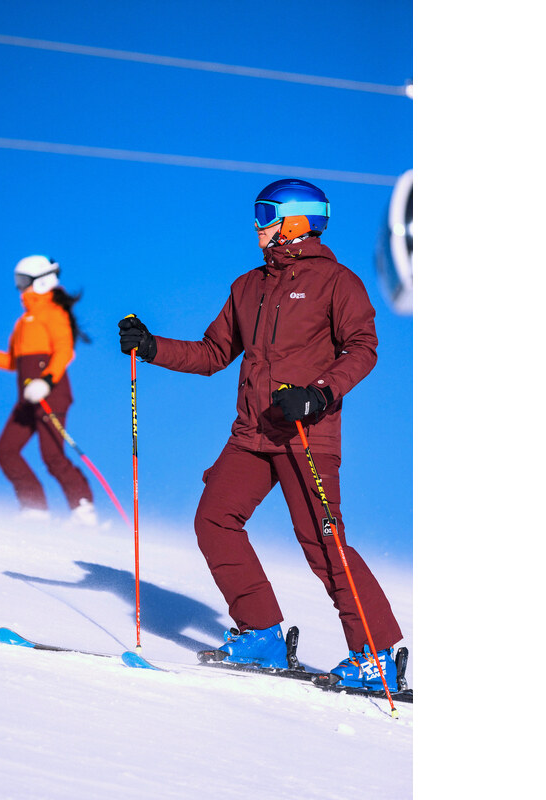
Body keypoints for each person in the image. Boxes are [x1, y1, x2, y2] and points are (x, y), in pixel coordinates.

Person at [117, 179, 405, 690]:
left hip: (304, 432)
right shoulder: (247, 287)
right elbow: (212, 354)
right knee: (214, 520)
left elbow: (363, 347)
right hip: (253, 433)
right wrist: (152, 345)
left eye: (266, 212)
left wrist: (318, 393)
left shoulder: (338, 282)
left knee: (323, 541)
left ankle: (375, 655)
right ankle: (262, 634)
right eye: (257, 212)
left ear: (299, 220)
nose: (257, 223)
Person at [0, 254, 97, 526]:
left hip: (51, 394)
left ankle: (83, 507)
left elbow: (64, 350)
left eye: (24, 281)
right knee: (6, 451)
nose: (20, 289)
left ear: (42, 281)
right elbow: (11, 362)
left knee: (52, 455)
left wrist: (46, 381)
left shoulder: (53, 313)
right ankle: (34, 507)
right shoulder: (22, 323)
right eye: (17, 282)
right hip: (27, 399)